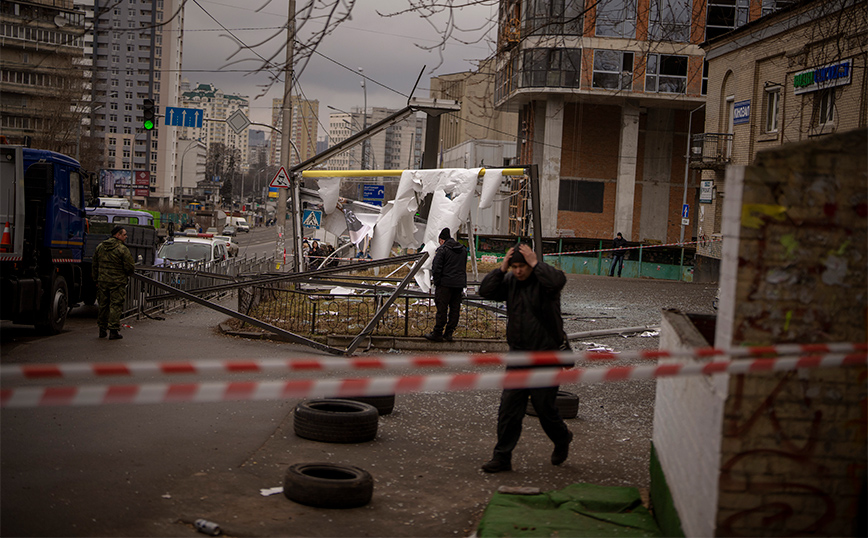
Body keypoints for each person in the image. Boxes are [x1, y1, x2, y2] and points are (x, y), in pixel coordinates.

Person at [477, 243, 573, 473]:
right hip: (518, 356)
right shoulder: (510, 281)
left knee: (544, 409)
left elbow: (558, 281)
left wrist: (536, 264)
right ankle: (502, 457)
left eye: (522, 266)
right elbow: (485, 292)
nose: (518, 271)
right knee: (509, 409)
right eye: (515, 267)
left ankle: (562, 438)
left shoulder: (545, 282)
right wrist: (501, 270)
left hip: (545, 356)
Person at [424, 227, 467, 343]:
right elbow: (463, 267)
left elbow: (436, 268)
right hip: (458, 285)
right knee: (454, 309)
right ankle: (449, 333)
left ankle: (437, 333)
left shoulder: (442, 250)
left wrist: (437, 282)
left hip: (445, 285)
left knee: (442, 309)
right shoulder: (463, 250)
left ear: (442, 240)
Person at [92, 225, 135, 340]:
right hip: (117, 282)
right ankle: (113, 331)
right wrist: (126, 274)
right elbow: (130, 266)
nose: (126, 237)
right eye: (124, 234)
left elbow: (95, 265)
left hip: (102, 281)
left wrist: (96, 279)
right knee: (115, 305)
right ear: (118, 235)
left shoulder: (100, 247)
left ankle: (102, 329)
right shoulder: (122, 249)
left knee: (103, 305)